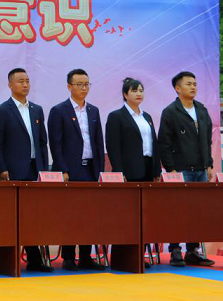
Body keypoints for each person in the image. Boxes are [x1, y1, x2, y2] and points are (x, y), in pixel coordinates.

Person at [0, 68, 52, 273]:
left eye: (27, 81)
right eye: (20, 81)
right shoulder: (2, 110)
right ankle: (11, 259)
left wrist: (44, 169)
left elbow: (42, 142)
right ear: (10, 85)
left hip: (35, 169)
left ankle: (34, 258)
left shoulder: (37, 110)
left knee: (34, 215)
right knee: (14, 216)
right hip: (14, 170)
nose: (25, 85)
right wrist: (1, 168)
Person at [47, 69, 106, 271]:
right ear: (69, 86)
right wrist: (62, 170)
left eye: (87, 84)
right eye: (79, 84)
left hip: (90, 169)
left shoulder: (93, 111)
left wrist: (100, 170)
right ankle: (69, 257)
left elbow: (98, 142)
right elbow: (55, 144)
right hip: (70, 171)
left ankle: (86, 256)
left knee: (89, 215)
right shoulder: (59, 111)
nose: (84, 88)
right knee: (70, 215)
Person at [157, 71, 215, 267]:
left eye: (195, 84)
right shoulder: (170, 112)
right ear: (177, 88)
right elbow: (164, 143)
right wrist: (170, 169)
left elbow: (207, 139)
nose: (193, 87)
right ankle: (175, 249)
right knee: (177, 211)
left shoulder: (202, 110)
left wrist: (209, 164)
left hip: (201, 169)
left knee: (197, 212)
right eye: (188, 84)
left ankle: (193, 250)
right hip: (180, 170)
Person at [105, 77, 161, 269]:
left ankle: (140, 254)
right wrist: (120, 172)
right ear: (125, 94)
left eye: (141, 90)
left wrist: (156, 169)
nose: (139, 94)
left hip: (148, 169)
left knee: (145, 216)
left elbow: (154, 144)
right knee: (128, 217)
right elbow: (113, 146)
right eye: (134, 90)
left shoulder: (147, 117)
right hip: (129, 171)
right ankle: (125, 256)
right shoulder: (116, 116)